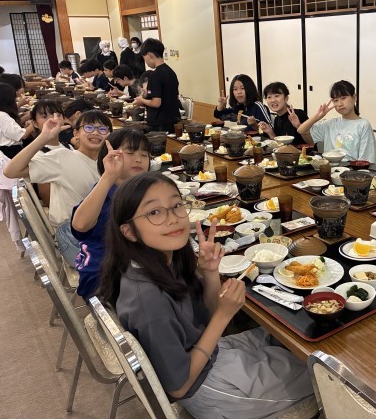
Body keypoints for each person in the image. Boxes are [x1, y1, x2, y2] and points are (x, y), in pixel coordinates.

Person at [97, 172, 313, 418]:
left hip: (211, 352)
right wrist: (223, 316)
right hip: (208, 386)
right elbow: (178, 387)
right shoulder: (148, 301)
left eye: (176, 205)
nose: (173, 218)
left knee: (286, 342)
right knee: (320, 374)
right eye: (154, 212)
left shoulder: (160, 261)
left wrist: (210, 272)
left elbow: (204, 315)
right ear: (129, 231)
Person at [4, 110, 112, 267]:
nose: (96, 133)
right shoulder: (63, 157)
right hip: (73, 236)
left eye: (102, 129)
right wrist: (43, 137)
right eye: (89, 127)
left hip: (97, 230)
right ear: (76, 133)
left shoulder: (107, 164)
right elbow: (11, 171)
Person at [71, 129, 150, 300]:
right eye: (130, 152)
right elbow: (80, 225)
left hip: (132, 265)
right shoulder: (105, 190)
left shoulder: (138, 192)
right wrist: (108, 176)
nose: (139, 159)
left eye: (144, 155)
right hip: (103, 277)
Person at [297, 80, 376, 163]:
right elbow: (301, 130)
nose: (340, 104)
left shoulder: (363, 125)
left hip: (351, 169)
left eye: (343, 98)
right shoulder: (330, 124)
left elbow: (365, 161)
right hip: (327, 168)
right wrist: (318, 116)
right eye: (335, 100)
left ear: (354, 97)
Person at [136, 39, 181, 133]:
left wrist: (141, 100)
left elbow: (156, 103)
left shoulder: (155, 75)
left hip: (160, 123)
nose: (145, 62)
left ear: (149, 55)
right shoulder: (171, 72)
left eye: (144, 58)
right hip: (173, 119)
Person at [27, 99, 67, 205]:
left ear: (64, 119)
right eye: (44, 116)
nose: (52, 120)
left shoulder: (68, 146)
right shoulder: (39, 155)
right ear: (34, 123)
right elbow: (47, 198)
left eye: (57, 115)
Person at [0, 83, 34, 158]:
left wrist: (26, 127)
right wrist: (34, 123)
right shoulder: (2, 116)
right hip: (10, 153)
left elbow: (11, 132)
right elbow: (22, 135)